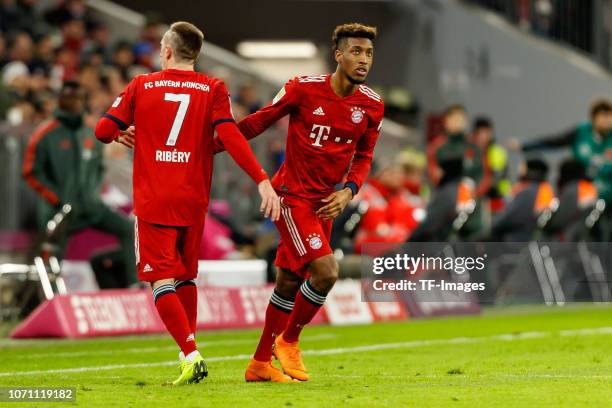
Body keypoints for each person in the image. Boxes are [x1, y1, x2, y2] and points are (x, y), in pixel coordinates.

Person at [94, 21, 280, 385]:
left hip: (154, 198)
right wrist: (261, 178)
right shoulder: (213, 87)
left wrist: (120, 131)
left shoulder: (142, 84)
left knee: (160, 278)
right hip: (193, 198)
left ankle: (191, 353)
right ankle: (187, 352)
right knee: (185, 276)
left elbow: (102, 131)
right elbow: (229, 133)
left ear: (166, 51)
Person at [215, 23, 384, 382]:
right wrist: (214, 143)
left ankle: (260, 363)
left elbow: (364, 156)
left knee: (289, 282)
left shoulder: (372, 105)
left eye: (368, 53)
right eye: (355, 51)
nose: (363, 59)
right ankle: (289, 340)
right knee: (326, 272)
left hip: (326, 203)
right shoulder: (302, 88)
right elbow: (259, 121)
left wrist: (348, 191)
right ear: (338, 55)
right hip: (291, 197)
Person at [23, 81, 137, 287]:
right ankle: (47, 300)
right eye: (70, 97)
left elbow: (98, 169)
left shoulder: (90, 133)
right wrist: (56, 198)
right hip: (59, 210)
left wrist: (94, 195)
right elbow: (31, 172)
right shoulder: (45, 133)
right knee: (51, 254)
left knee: (129, 230)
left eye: (78, 98)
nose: (74, 102)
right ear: (61, 100)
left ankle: (134, 288)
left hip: (91, 206)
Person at [511, 99, 612, 240]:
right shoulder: (581, 132)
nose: (608, 121)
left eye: (610, 116)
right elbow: (554, 142)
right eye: (604, 116)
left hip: (608, 198)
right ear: (594, 118)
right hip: (582, 196)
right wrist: (525, 145)